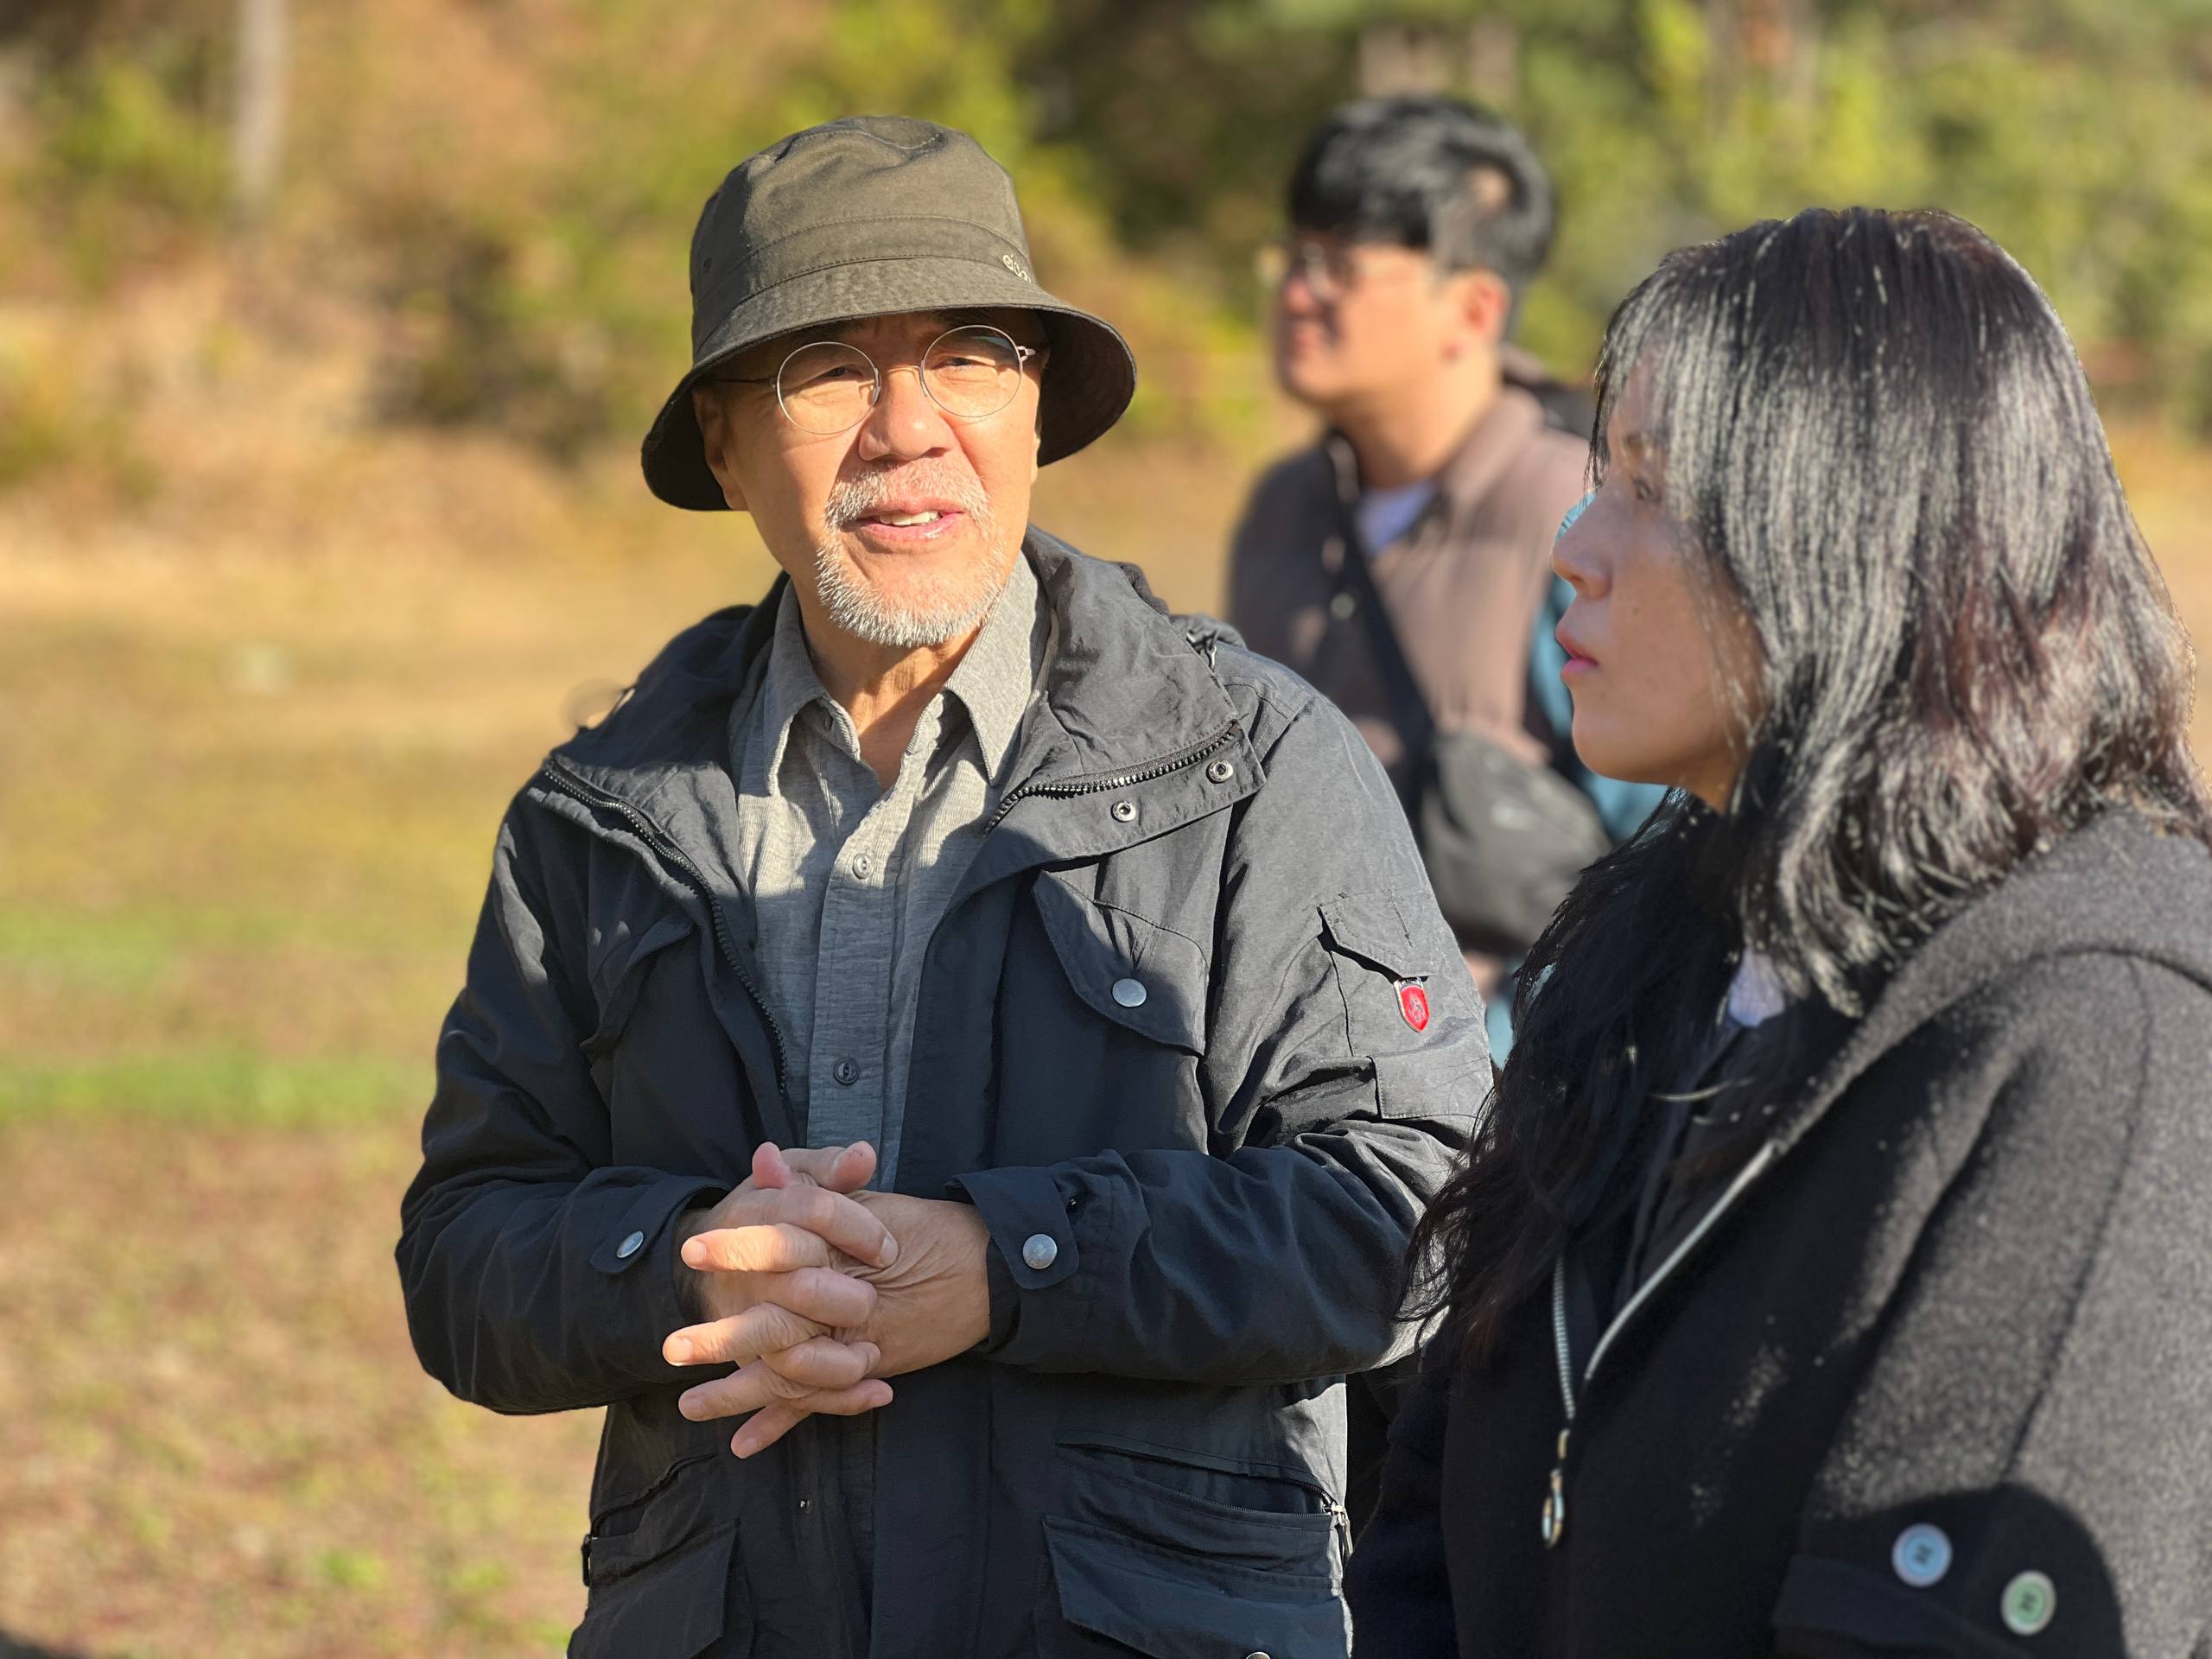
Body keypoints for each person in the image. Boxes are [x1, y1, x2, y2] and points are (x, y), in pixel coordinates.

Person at [395, 116, 1485, 1658]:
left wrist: (1010, 1267)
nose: (907, 428)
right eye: (826, 369)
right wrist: (695, 1267)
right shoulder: (602, 814)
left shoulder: (1255, 764)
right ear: (723, 445)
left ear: (1034, 408)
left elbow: (1421, 1213)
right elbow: (465, 1254)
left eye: (967, 355)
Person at [1346, 206, 2212, 1656]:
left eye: (1653, 491)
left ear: (1867, 534)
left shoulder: (2098, 1033)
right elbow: (1432, 1520)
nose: (1574, 549)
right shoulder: (1654, 956)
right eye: (1598, 480)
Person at [1227, 95, 1662, 1058]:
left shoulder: (1579, 516)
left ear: (1473, 309)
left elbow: (1673, 857)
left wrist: (1505, 1043)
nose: (1295, 294)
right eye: (1292, 257)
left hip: (1507, 1094)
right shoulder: (1281, 513)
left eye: (1338, 267)